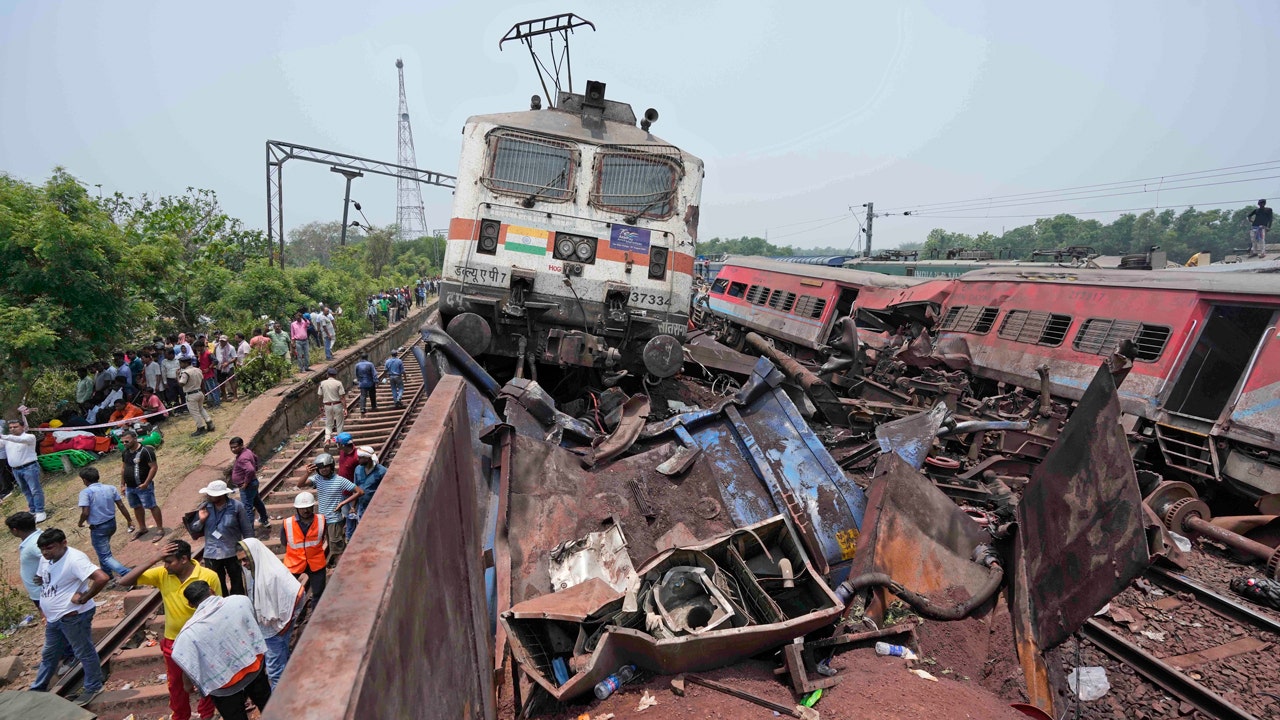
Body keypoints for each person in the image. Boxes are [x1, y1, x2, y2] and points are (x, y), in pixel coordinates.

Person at [119, 540, 222, 720]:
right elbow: (124, 581)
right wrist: (154, 558)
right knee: (176, 685)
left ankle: (207, 715)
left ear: (183, 559)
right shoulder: (162, 574)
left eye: (169, 561)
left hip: (202, 640)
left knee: (206, 680)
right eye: (163, 561)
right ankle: (180, 716)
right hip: (173, 641)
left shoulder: (209, 576)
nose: (165, 566)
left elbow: (217, 608)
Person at [29, 528, 110, 706]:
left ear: (63, 543)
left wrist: (84, 597)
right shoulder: (46, 558)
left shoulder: (75, 559)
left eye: (49, 548)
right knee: (49, 654)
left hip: (73, 616)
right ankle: (37, 689)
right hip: (55, 618)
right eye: (42, 549)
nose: (45, 552)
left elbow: (102, 578)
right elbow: (44, 577)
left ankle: (94, 686)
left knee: (83, 651)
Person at [170, 580, 271, 720]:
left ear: (191, 604)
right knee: (268, 706)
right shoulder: (240, 601)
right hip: (253, 667)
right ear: (211, 590)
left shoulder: (187, 634)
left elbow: (183, 658)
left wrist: (187, 684)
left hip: (223, 685)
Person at [238, 538, 304, 688]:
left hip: (275, 631)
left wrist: (285, 625)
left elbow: (298, 594)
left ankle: (279, 705)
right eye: (240, 561)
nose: (244, 564)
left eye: (245, 559)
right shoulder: (255, 572)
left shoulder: (273, 575)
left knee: (275, 672)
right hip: (268, 629)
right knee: (280, 664)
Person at [190, 479, 253, 596]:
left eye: (212, 494)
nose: (208, 496)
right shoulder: (204, 507)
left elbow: (247, 529)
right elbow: (194, 530)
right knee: (216, 585)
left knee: (237, 584)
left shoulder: (236, 507)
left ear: (222, 495)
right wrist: (201, 520)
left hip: (232, 552)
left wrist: (249, 549)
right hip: (211, 554)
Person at [296, 453, 361, 563]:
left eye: (326, 467)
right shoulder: (317, 479)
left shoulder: (340, 480)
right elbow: (300, 484)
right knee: (331, 544)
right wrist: (307, 473)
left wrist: (343, 503)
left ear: (331, 467)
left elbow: (359, 491)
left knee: (337, 547)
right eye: (321, 468)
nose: (324, 470)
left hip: (334, 519)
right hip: (322, 519)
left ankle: (341, 567)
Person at [76, 467, 133, 579]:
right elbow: (121, 505)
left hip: (98, 528)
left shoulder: (86, 493)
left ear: (85, 480)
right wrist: (129, 520)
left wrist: (80, 522)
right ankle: (108, 575)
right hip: (112, 524)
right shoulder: (110, 488)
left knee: (105, 555)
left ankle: (126, 573)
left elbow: (85, 512)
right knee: (102, 552)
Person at [281, 492, 327, 599]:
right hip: (294, 563)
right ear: (297, 509)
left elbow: (323, 536)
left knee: (318, 594)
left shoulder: (321, 520)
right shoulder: (287, 523)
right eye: (302, 508)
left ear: (313, 507)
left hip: (316, 563)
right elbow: (284, 542)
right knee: (289, 595)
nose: (305, 510)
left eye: (308, 507)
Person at [120, 428, 165, 540]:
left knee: (152, 506)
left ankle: (160, 529)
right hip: (130, 487)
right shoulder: (125, 452)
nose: (124, 444)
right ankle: (142, 528)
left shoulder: (146, 451)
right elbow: (123, 468)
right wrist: (122, 485)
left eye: (127, 441)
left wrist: (146, 483)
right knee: (136, 507)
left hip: (144, 486)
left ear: (135, 438)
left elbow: (154, 467)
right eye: (123, 442)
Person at [2, 418, 46, 522]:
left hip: (29, 467)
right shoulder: (8, 439)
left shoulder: (29, 437)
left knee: (35, 490)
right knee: (26, 491)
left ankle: (40, 510)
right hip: (16, 470)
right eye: (11, 428)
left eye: (15, 427)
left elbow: (19, 440)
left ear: (22, 427)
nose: (13, 429)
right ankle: (33, 510)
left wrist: (4, 436)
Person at [6, 511, 45, 609]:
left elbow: (52, 559)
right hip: (40, 592)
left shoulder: (33, 544)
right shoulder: (38, 537)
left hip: (43, 593)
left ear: (15, 530)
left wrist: (43, 575)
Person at [229, 437, 270, 528]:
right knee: (257, 503)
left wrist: (246, 483)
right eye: (231, 448)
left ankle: (249, 531)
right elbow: (256, 458)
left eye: (235, 447)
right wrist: (256, 468)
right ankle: (264, 520)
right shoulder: (247, 451)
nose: (233, 449)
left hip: (248, 486)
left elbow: (250, 470)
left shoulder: (242, 458)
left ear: (241, 445)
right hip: (253, 483)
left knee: (247, 508)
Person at [179, 356, 214, 436]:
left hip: (191, 394)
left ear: (185, 363)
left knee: (194, 412)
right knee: (201, 409)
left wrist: (177, 377)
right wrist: (203, 391)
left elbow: (182, 383)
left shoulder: (185, 372)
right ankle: (209, 422)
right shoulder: (198, 370)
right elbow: (202, 381)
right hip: (199, 392)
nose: (180, 365)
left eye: (181, 363)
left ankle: (200, 427)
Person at [352, 445, 386, 521]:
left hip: (376, 508)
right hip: (362, 508)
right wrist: (353, 507)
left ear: (367, 458)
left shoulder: (382, 471)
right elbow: (355, 489)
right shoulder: (358, 469)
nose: (358, 459)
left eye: (360, 458)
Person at [317, 368, 346, 442]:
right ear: (335, 375)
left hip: (327, 405)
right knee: (339, 423)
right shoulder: (338, 383)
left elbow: (319, 396)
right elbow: (342, 397)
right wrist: (345, 408)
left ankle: (327, 438)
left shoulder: (322, 383)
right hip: (337, 404)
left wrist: (320, 406)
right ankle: (339, 440)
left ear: (327, 375)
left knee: (329, 423)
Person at [214, 335, 238, 402]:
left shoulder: (231, 348)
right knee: (221, 382)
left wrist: (227, 363)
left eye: (223, 341)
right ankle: (224, 397)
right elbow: (215, 355)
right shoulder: (216, 347)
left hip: (229, 367)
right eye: (221, 341)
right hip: (220, 367)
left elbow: (235, 358)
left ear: (227, 341)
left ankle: (235, 396)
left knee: (232, 381)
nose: (222, 342)